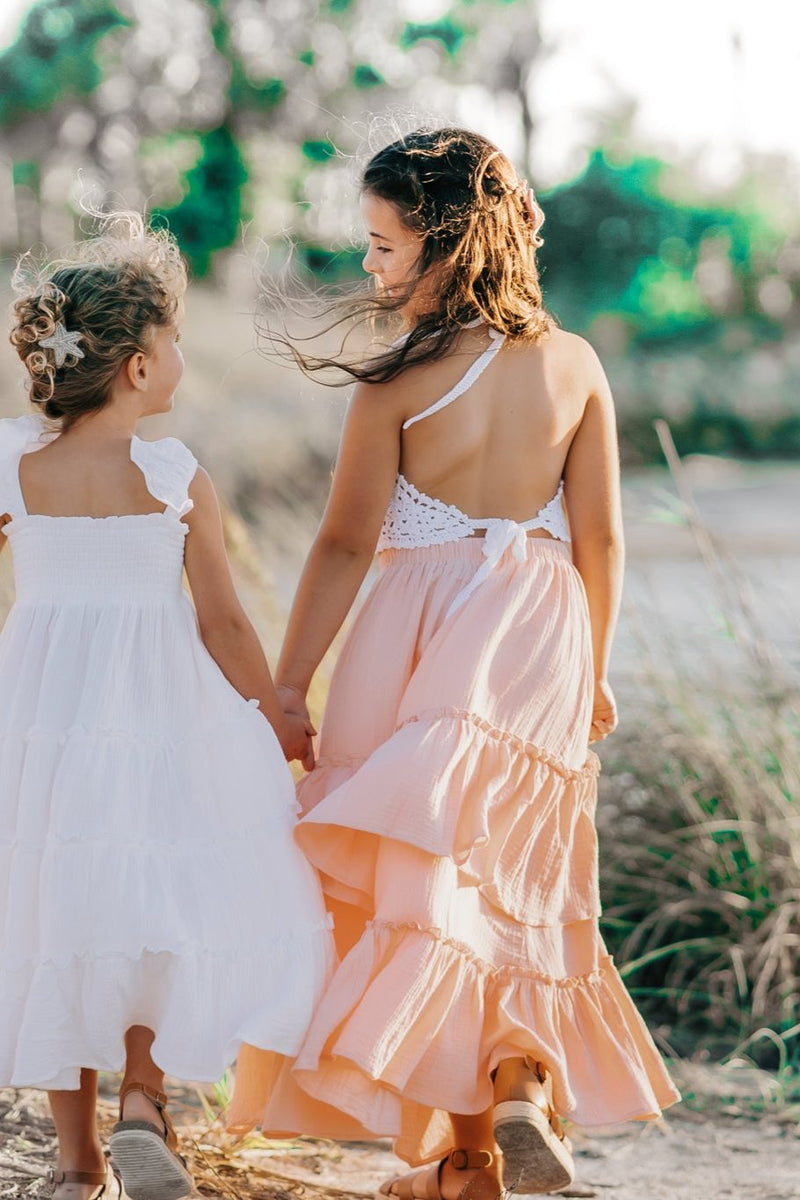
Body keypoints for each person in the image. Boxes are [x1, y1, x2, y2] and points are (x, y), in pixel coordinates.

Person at [230, 126, 680, 1199]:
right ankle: (505, 1102)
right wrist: (595, 671)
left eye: (382, 246)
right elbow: (600, 540)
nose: (370, 267)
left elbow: (342, 544)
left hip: (416, 625)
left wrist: (290, 685)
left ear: (442, 244)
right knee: (514, 867)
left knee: (424, 878)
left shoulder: (396, 383)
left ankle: (476, 1135)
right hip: (537, 626)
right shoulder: (573, 365)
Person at [0, 214, 334, 1200]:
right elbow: (225, 624)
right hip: (158, 713)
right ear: (139, 370)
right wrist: (278, 711)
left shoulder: (16, 466)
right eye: (173, 339)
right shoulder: (175, 477)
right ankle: (145, 1097)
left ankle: (76, 1162)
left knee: (62, 905)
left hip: (42, 712)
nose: (182, 355)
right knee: (153, 902)